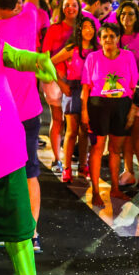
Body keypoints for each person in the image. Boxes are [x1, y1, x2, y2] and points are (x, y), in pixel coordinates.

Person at [0, 0, 47, 250]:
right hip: (30, 113)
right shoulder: (29, 18)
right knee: (30, 173)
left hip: (0, 118)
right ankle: (32, 233)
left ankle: (5, 229)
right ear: (17, 1)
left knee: (0, 174)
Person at [81, 23, 137, 207]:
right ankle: (95, 191)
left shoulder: (128, 57)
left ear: (119, 38)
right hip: (98, 106)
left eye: (112, 36)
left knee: (115, 150)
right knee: (97, 148)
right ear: (100, 39)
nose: (108, 40)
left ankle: (115, 188)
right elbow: (86, 88)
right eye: (104, 36)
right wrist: (84, 112)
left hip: (122, 106)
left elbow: (134, 87)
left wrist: (132, 112)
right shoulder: (92, 58)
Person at [51, 17, 99, 183]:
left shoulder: (97, 49)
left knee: (85, 131)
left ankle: (83, 165)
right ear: (79, 30)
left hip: (91, 91)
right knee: (71, 131)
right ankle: (67, 168)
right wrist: (61, 84)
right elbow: (50, 63)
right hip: (73, 89)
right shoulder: (72, 48)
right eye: (85, 27)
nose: (88, 30)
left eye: (91, 27)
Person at [41, 0, 81, 177]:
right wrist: (60, 82)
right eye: (67, 5)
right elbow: (45, 59)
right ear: (62, 8)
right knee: (58, 119)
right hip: (54, 79)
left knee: (75, 124)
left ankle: (72, 159)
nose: (70, 8)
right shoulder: (54, 29)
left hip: (77, 80)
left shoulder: (84, 28)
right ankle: (57, 158)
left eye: (74, 5)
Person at [117, 1, 139, 189]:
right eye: (123, 14)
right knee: (124, 133)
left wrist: (138, 89)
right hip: (118, 93)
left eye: (130, 14)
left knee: (138, 132)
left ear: (137, 17)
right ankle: (128, 171)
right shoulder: (116, 36)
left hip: (138, 91)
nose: (126, 18)